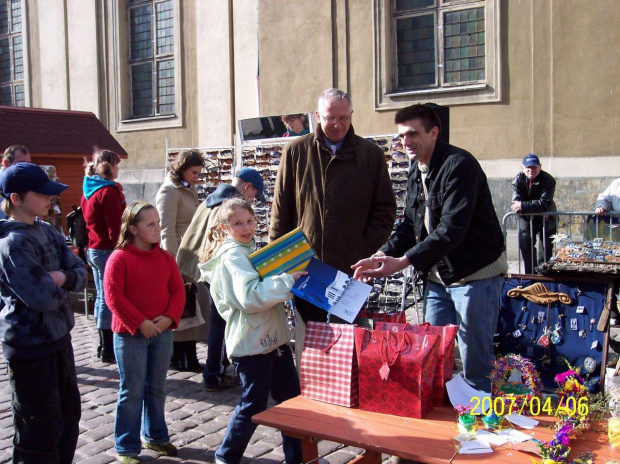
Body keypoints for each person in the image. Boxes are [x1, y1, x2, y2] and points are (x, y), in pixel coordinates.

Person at [352, 103, 507, 393]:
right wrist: (381, 255)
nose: (406, 142)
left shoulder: (460, 165)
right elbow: (410, 225)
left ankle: (482, 426)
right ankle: (444, 422)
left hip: (475, 274)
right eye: (401, 137)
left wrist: (403, 262)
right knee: (434, 354)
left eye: (412, 134)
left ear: (434, 132)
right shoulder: (416, 168)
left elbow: (451, 230)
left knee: (475, 358)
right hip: (438, 278)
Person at [270, 88, 396, 361]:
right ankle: (309, 395)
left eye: (343, 118)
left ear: (351, 116)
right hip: (307, 267)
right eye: (330, 118)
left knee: (344, 340)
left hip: (350, 268)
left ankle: (341, 393)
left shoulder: (370, 155)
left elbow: (385, 211)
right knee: (309, 342)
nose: (337, 125)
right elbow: (281, 211)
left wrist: (361, 247)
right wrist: (281, 261)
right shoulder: (296, 151)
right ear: (317, 116)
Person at [198, 198, 305, 464]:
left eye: (250, 221)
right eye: (238, 224)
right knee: (253, 404)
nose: (246, 228)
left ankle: (299, 457)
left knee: (290, 401)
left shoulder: (246, 249)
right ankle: (226, 455)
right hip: (252, 342)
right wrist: (287, 281)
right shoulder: (232, 255)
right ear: (224, 227)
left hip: (273, 339)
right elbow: (249, 296)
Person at [0, 162, 87, 463]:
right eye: (42, 194)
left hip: (59, 339)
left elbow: (79, 272)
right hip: (30, 347)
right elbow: (42, 297)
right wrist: (62, 279)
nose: (51, 199)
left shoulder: (48, 231)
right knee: (38, 427)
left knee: (67, 416)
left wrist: (61, 277)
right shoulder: (12, 243)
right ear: (16, 198)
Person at [103, 202, 185, 464]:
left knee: (157, 387)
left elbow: (177, 290)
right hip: (130, 336)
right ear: (133, 229)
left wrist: (170, 317)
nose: (157, 229)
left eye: (158, 223)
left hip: (161, 333)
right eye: (150, 224)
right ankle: (126, 446)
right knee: (132, 391)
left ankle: (156, 436)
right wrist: (140, 323)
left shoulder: (165, 258)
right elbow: (113, 297)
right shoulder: (119, 258)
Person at [176, 168, 263, 388]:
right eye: (255, 194)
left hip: (207, 267)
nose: (253, 199)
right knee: (222, 322)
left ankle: (216, 369)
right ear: (246, 187)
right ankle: (215, 373)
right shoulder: (230, 206)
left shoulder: (211, 199)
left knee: (219, 321)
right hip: (220, 271)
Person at [155, 149, 204, 371]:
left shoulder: (188, 188)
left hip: (192, 254)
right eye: (194, 172)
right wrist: (173, 263)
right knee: (182, 306)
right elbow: (166, 230)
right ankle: (181, 357)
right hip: (179, 256)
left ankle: (187, 356)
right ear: (182, 169)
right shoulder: (169, 191)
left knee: (192, 306)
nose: (197, 177)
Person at [81, 147, 126, 362]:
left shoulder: (89, 189)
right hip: (106, 248)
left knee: (101, 297)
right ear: (109, 167)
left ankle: (103, 346)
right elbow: (114, 227)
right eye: (116, 165)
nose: (118, 169)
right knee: (109, 298)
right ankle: (108, 346)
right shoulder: (107, 192)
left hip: (94, 248)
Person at [510, 154, 557, 274]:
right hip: (527, 217)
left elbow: (545, 203)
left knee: (545, 248)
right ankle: (530, 274)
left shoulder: (549, 180)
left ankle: (544, 274)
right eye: (528, 167)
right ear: (522, 168)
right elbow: (516, 205)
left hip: (547, 217)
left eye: (534, 167)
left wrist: (524, 206)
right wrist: (536, 207)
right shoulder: (518, 180)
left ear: (540, 167)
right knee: (525, 240)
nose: (531, 170)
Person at [0, 145, 32, 220]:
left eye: (29, 164)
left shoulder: (24, 182)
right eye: (21, 163)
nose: (26, 168)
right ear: (6, 164)